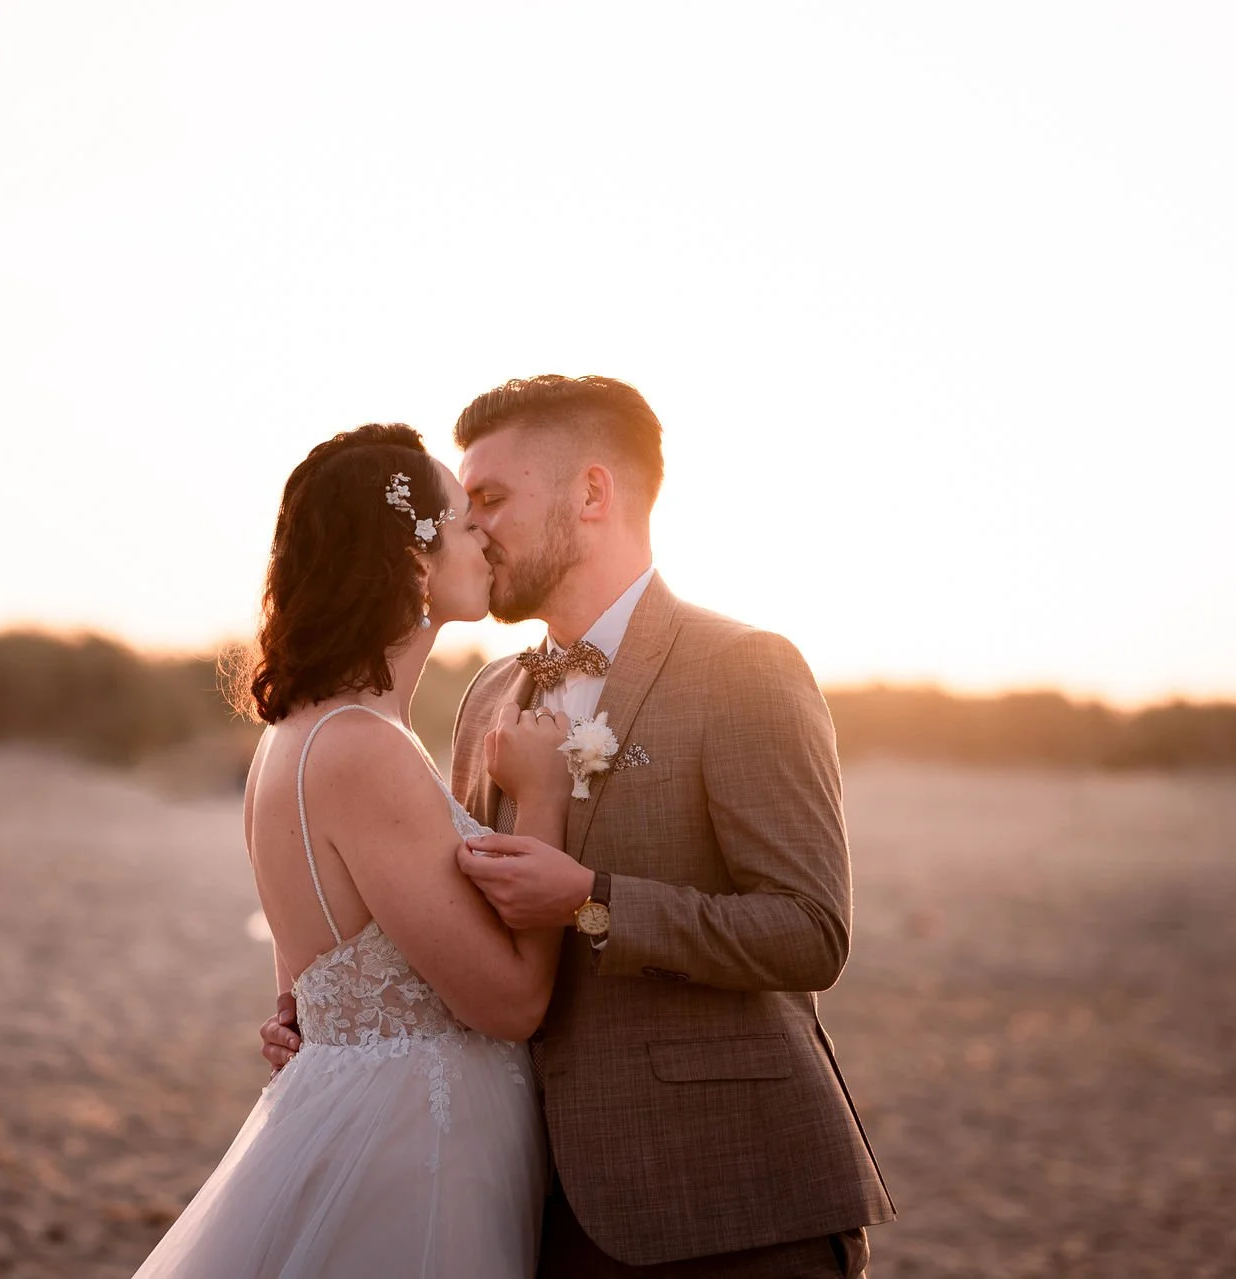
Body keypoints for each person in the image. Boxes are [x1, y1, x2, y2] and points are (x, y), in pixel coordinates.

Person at [263, 377, 895, 1277]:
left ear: (592, 493)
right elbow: (456, 921)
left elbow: (811, 931)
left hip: (732, 1201)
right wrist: (324, 1019)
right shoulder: (486, 695)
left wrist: (594, 904)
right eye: (465, 506)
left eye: (490, 499)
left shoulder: (743, 668)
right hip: (529, 1203)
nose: (472, 528)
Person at [135, 423, 573, 1278]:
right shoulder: (362, 747)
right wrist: (546, 797)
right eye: (459, 521)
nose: (481, 536)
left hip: (360, 1111)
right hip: (413, 1151)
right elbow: (513, 1002)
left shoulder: (297, 734)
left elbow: (307, 986)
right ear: (414, 563)